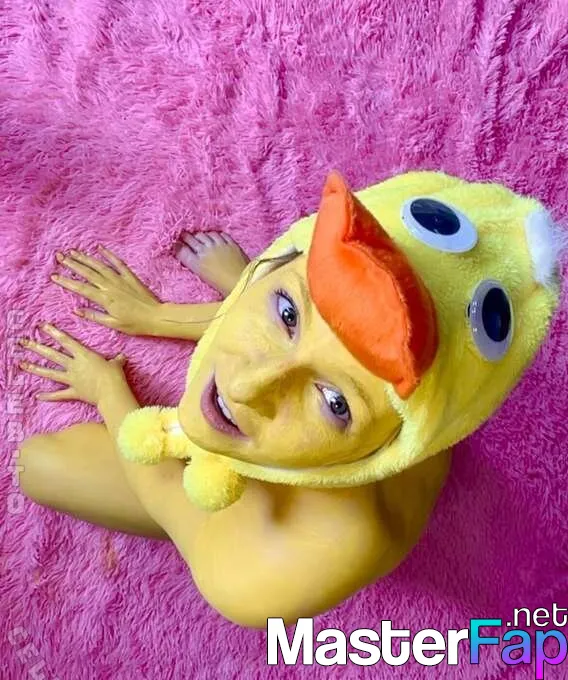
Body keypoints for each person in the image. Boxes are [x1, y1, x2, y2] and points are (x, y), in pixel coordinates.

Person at [17, 229, 451, 628]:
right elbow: (339, 341)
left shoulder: (283, 565)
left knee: (35, 467)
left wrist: (107, 390)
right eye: (288, 313)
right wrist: (157, 317)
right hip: (388, 426)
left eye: (334, 403)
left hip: (279, 511)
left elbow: (168, 498)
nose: (243, 387)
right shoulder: (420, 344)